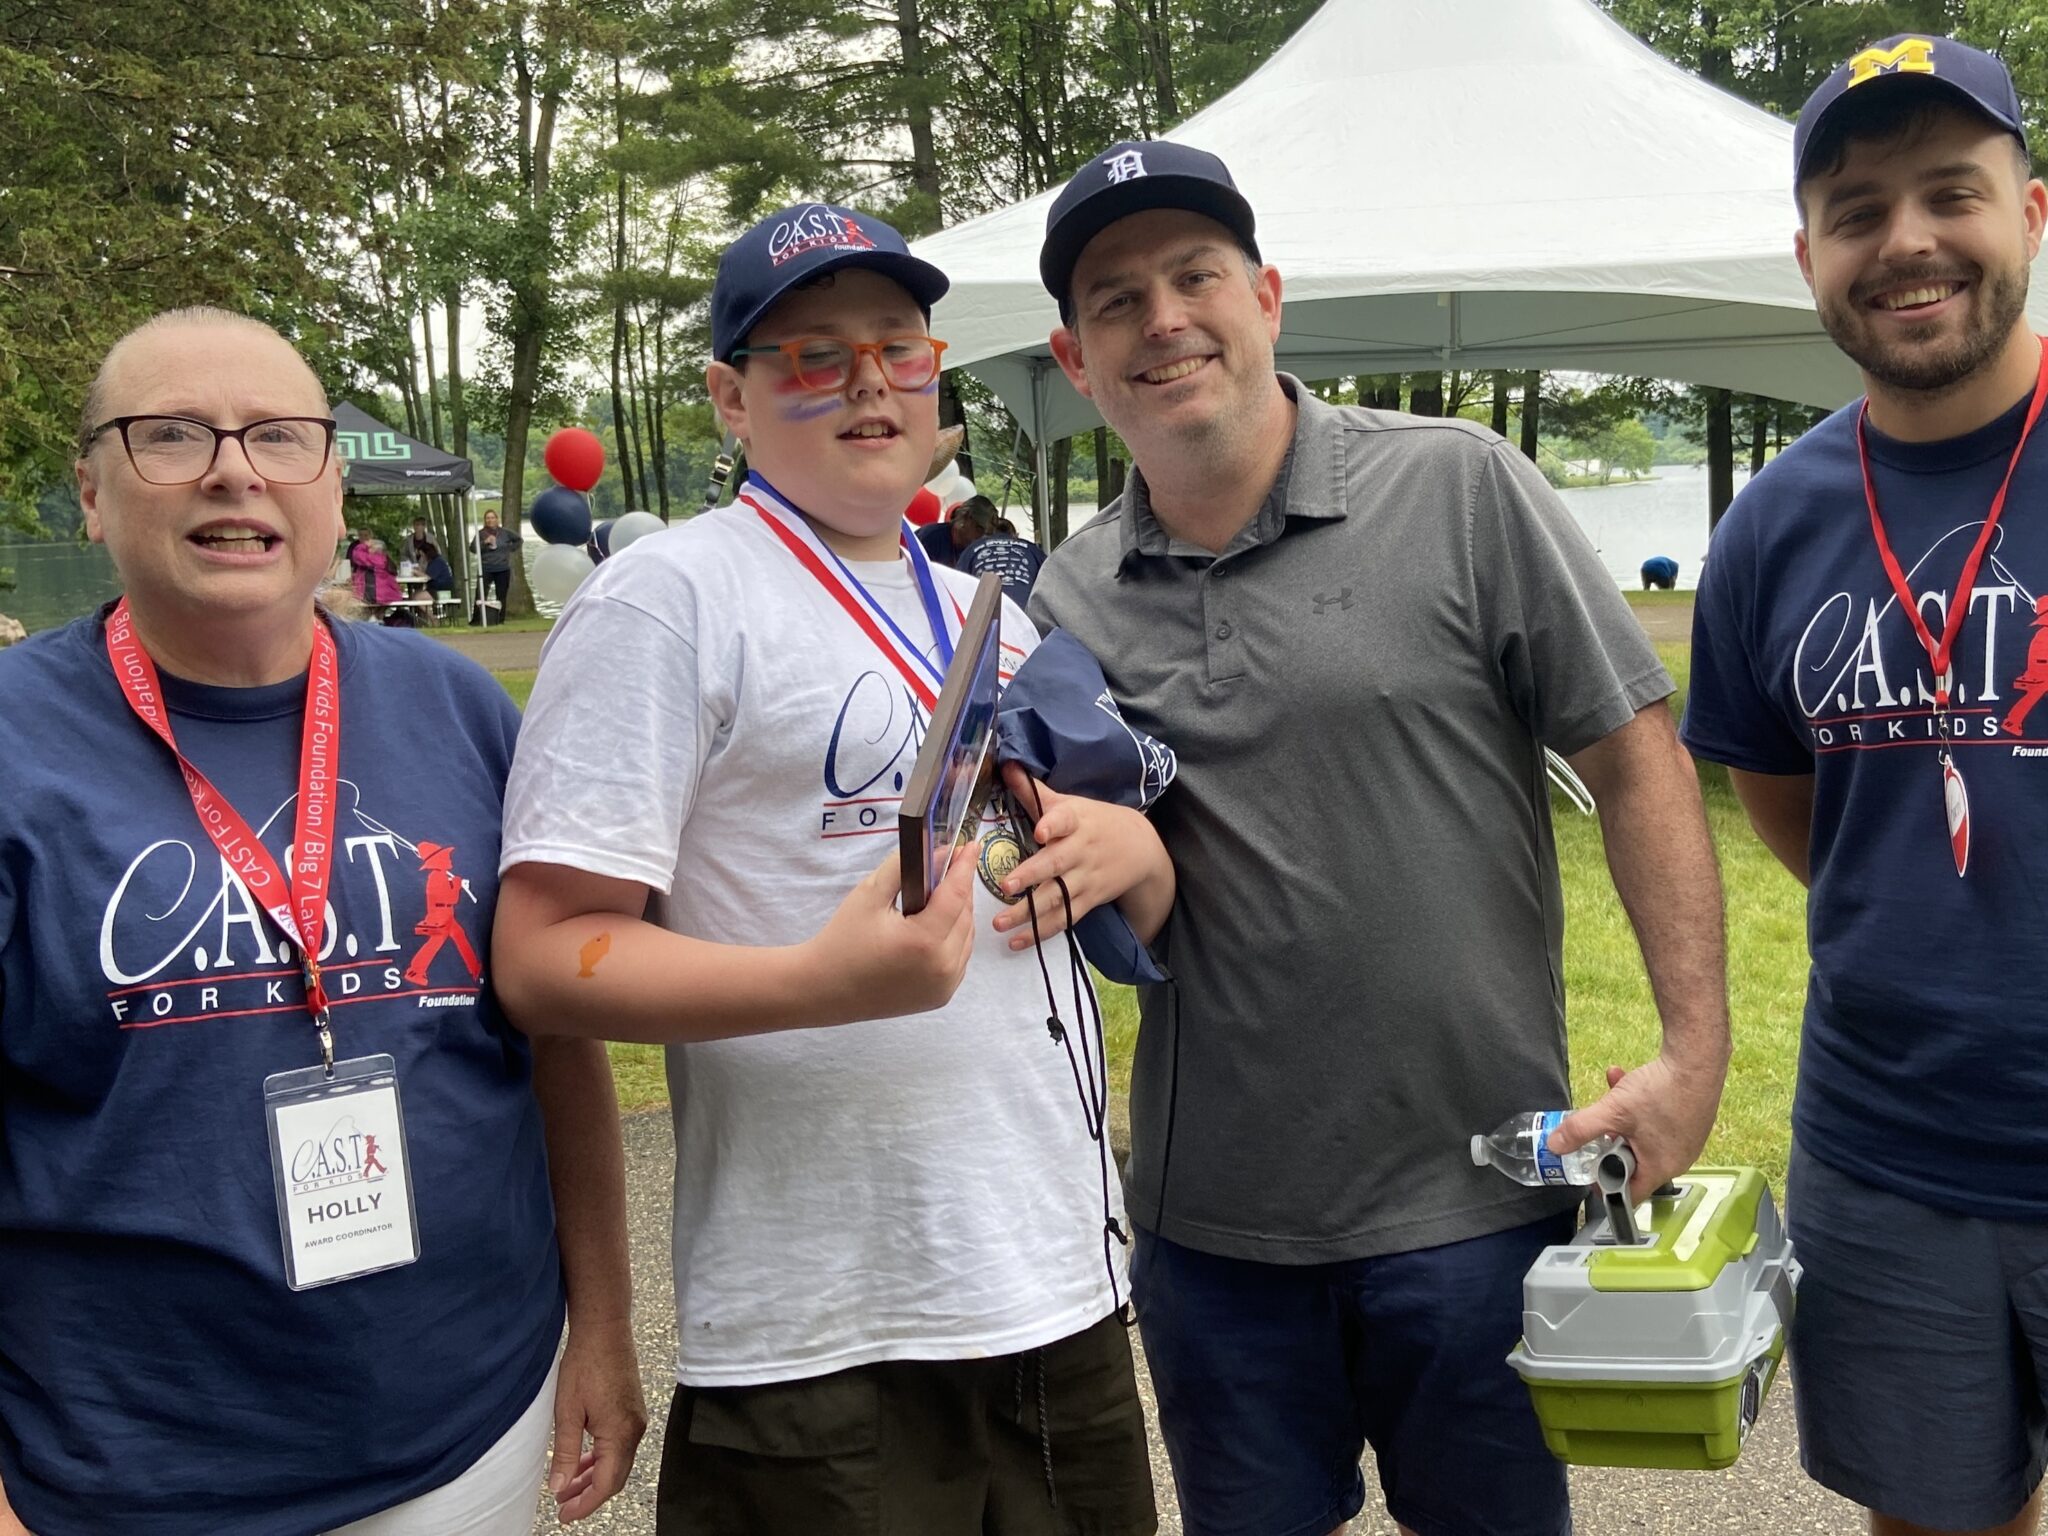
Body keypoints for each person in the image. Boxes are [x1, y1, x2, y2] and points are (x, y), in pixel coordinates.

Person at [1029, 141, 1730, 1536]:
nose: (1163, 318)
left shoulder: (1462, 488)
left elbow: (1635, 756)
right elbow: (1108, 893)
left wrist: (1692, 1054)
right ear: (1073, 355)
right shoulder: (1068, 597)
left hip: (1472, 1203)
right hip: (1208, 1235)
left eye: (1195, 275)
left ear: (1268, 296)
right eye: (1117, 299)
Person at [491, 203, 1167, 1536]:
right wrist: (816, 979)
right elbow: (537, 958)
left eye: (900, 350)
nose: (868, 382)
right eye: (812, 355)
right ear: (730, 398)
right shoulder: (667, 601)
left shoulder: (984, 604)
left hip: (1054, 1300)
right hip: (826, 1337)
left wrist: (1132, 850)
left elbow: (1102, 869)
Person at [0, 307, 646, 1536]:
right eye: (172, 435)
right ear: (90, 494)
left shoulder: (456, 708)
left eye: (280, 437)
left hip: (467, 1430)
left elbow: (556, 1040)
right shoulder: (17, 742)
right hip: (127, 1470)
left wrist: (603, 1332)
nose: (234, 468)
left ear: (334, 491)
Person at [1682, 37, 2048, 1536]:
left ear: (2032, 211)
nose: (1905, 240)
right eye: (1856, 207)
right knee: (1936, 1521)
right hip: (1888, 1149)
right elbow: (1788, 810)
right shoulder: (1774, 525)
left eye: (1949, 193)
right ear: (1809, 256)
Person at [956, 496, 1049, 606]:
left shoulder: (972, 549)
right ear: (1014, 535)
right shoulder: (1031, 549)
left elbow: (958, 587)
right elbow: (1050, 582)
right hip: (1023, 613)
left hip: (984, 613)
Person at [913, 486, 997, 568]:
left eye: (988, 534)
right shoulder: (931, 537)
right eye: (979, 529)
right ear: (966, 517)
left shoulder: (974, 551)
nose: (982, 537)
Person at [470, 508, 521, 623]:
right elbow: (472, 548)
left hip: (502, 568)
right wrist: (485, 543)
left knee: (501, 596)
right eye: (488, 518)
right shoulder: (481, 533)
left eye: (492, 518)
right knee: (480, 595)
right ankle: (476, 620)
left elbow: (519, 540)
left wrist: (509, 549)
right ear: (485, 520)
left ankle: (500, 619)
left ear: (496, 519)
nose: (490, 520)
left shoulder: (505, 532)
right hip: (486, 568)